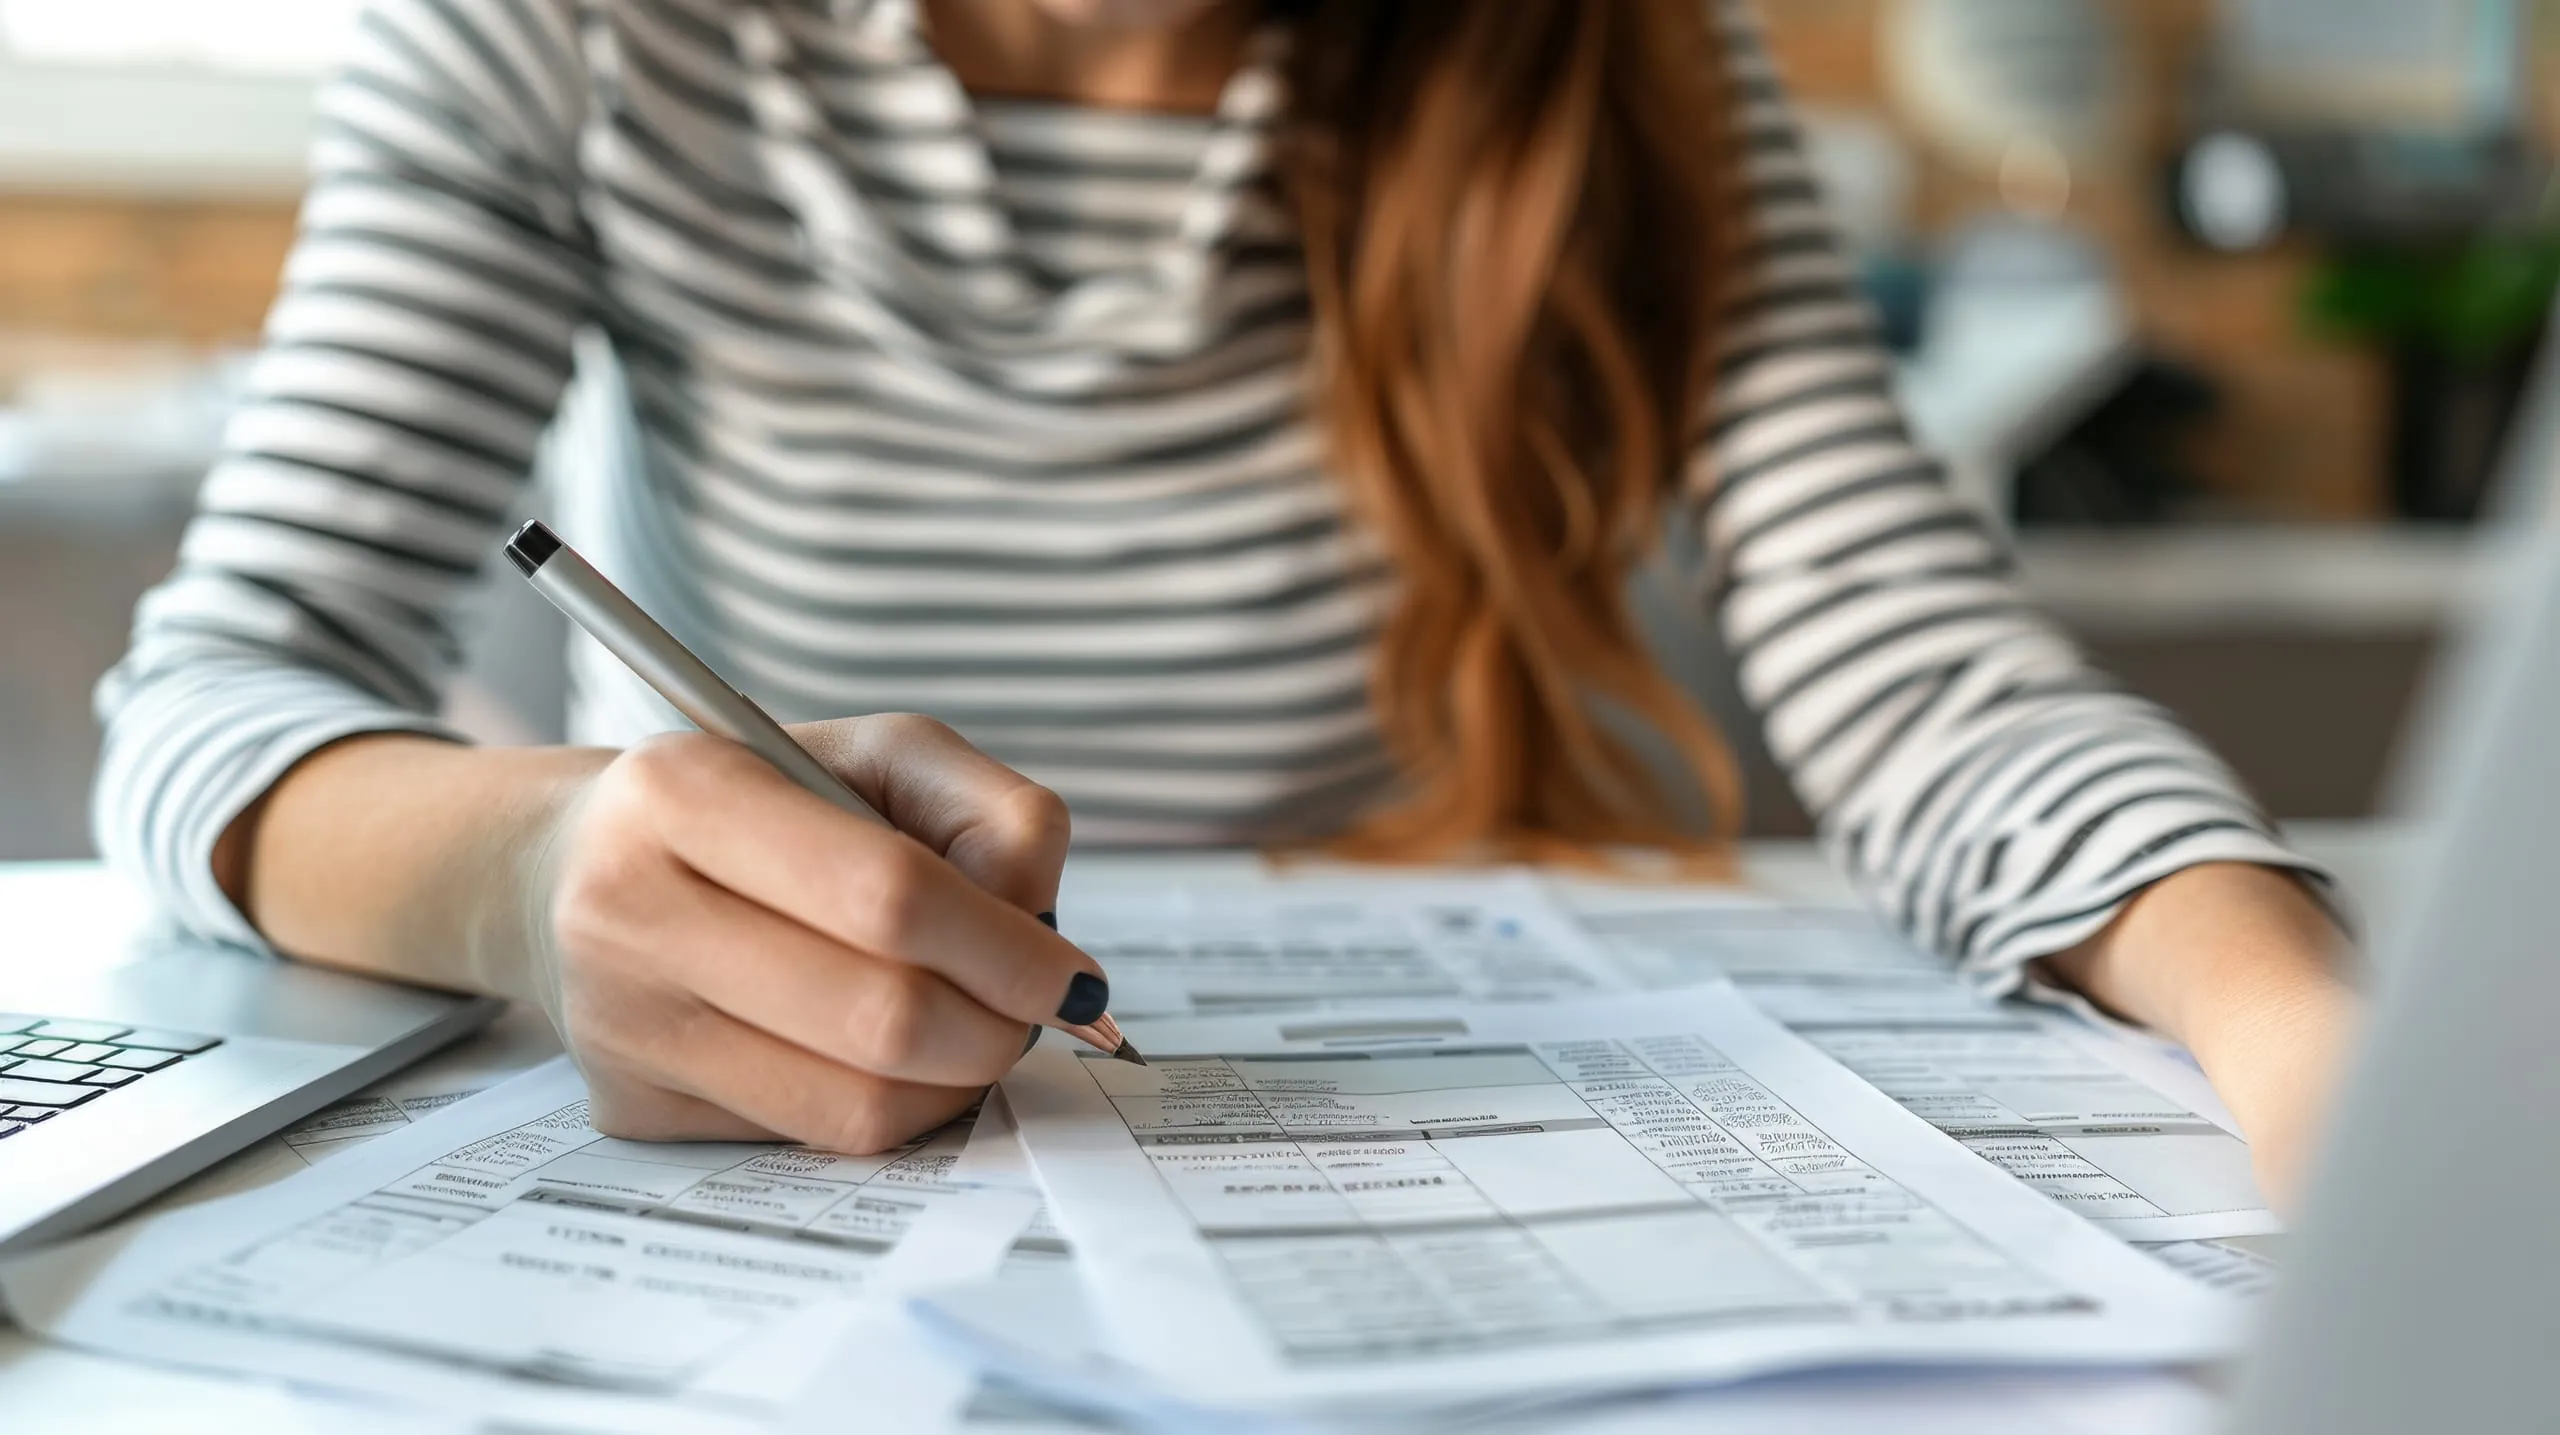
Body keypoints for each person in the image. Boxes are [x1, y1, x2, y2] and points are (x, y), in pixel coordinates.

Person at [94, 0, 2354, 1198]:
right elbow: (223, 697)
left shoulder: (1618, 61)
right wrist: (533, 874)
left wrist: (2305, 1038)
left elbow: (1933, 685)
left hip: (1379, 1115)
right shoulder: (571, 35)